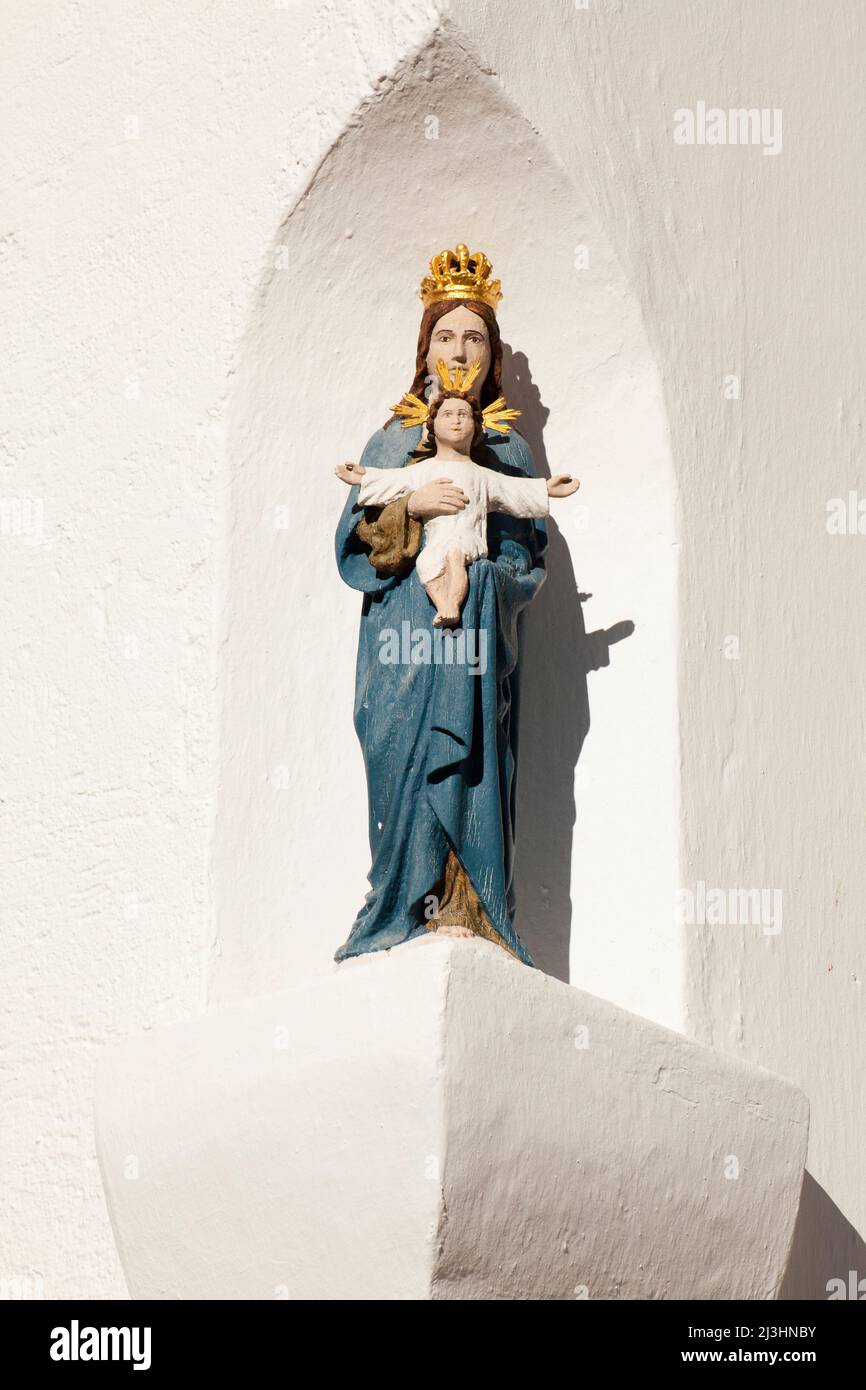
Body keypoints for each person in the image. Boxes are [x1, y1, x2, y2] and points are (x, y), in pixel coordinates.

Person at [334, 243, 552, 965]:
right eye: (446, 335)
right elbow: (353, 547)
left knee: (471, 764)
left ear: (491, 356)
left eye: (475, 338)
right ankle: (400, 902)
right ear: (424, 348)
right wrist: (411, 507)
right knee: (398, 751)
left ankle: (465, 903)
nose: (460, 351)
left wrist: (492, 578)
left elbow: (529, 555)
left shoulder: (508, 453)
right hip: (399, 643)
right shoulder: (393, 441)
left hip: (473, 640)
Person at [336, 383, 579, 626]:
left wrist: (546, 489)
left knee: (454, 557)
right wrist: (363, 477)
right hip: (436, 543)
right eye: (447, 415)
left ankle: (451, 603)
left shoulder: (482, 475)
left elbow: (513, 491)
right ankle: (444, 603)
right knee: (426, 563)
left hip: (467, 540)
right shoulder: (424, 470)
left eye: (463, 415)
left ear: (476, 426)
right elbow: (393, 482)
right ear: (431, 425)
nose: (456, 421)